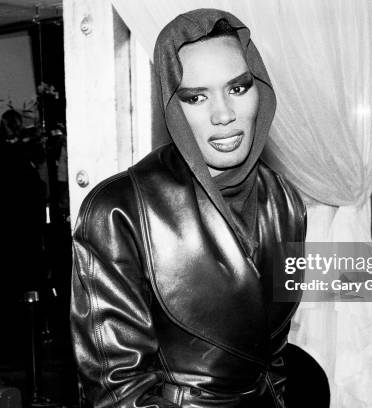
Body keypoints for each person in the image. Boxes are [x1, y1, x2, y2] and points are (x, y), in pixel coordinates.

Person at [71, 9, 307, 408]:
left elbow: (273, 356)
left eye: (237, 88)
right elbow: (118, 391)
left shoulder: (285, 201)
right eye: (196, 97)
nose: (224, 115)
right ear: (172, 105)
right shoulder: (118, 210)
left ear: (260, 89)